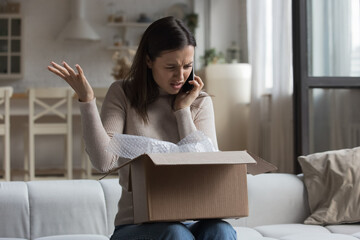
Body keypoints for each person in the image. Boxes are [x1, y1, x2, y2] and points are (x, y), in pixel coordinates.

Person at [48, 16, 237, 240]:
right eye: (170, 67)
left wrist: (182, 111)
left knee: (221, 230)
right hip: (136, 226)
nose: (180, 76)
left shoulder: (200, 101)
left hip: (192, 219)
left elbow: (206, 166)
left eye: (188, 66)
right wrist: (87, 101)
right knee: (175, 233)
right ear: (149, 61)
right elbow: (104, 162)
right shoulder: (122, 93)